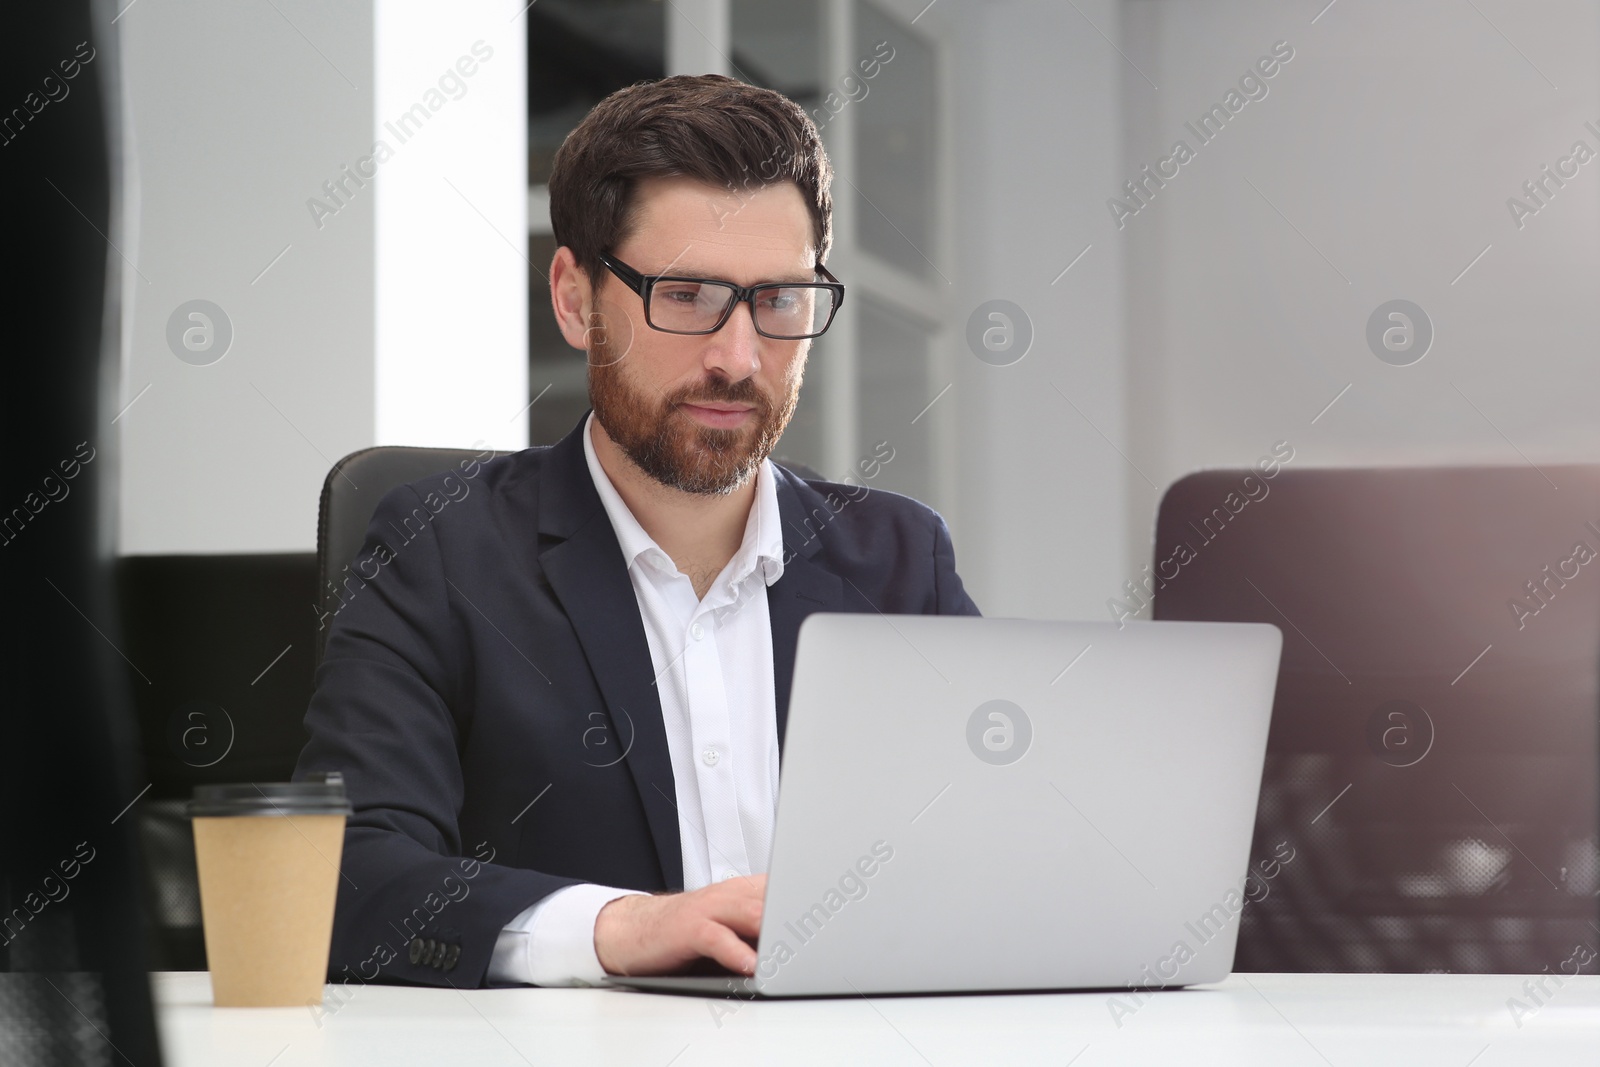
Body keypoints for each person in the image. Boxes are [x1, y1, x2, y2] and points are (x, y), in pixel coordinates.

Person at [293, 73, 980, 991]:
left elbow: (1007, 855)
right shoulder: (439, 551)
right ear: (575, 299)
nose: (738, 358)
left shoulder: (903, 561)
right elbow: (346, 878)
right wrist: (616, 926)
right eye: (688, 294)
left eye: (779, 300)